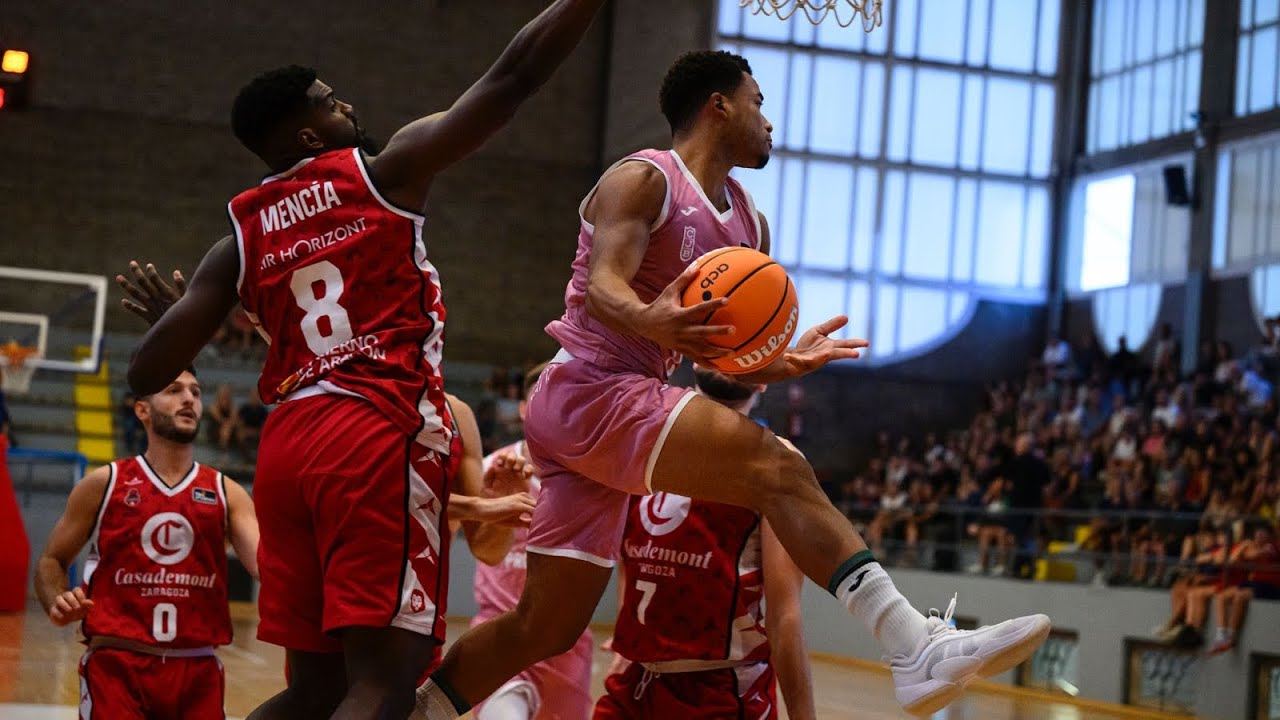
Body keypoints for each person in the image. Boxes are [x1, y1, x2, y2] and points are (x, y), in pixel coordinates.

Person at [418, 50, 1050, 719]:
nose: (768, 122)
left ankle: (419, 706)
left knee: (545, 627)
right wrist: (647, 317)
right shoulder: (644, 179)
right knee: (776, 467)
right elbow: (604, 287)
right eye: (758, 101)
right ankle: (911, 642)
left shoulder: (748, 223)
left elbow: (721, 356)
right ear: (719, 105)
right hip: (590, 384)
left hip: (615, 404)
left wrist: (777, 362)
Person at [120, 3, 606, 717]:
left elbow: (143, 371)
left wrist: (179, 319)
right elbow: (515, 77)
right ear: (311, 132)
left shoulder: (239, 239)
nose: (347, 104)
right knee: (386, 680)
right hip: (372, 432)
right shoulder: (384, 170)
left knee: (315, 690)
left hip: (286, 447)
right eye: (331, 99)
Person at [33, 368, 259, 720]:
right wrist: (57, 600)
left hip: (196, 670)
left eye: (196, 393)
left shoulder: (226, 492)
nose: (189, 399)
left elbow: (268, 566)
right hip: (117, 665)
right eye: (174, 390)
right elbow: (51, 560)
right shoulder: (104, 483)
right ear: (142, 410)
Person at [594, 367, 814, 720]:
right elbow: (632, 555)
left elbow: (785, 614)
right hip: (635, 684)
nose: (730, 357)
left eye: (744, 353)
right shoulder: (643, 439)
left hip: (721, 692)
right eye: (722, 344)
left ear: (763, 380)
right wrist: (630, 636)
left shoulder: (775, 461)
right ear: (696, 361)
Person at [465, 364, 595, 720]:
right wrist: (498, 509)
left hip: (563, 641)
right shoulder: (491, 467)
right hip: (501, 633)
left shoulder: (595, 482)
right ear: (523, 408)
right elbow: (487, 554)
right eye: (541, 399)